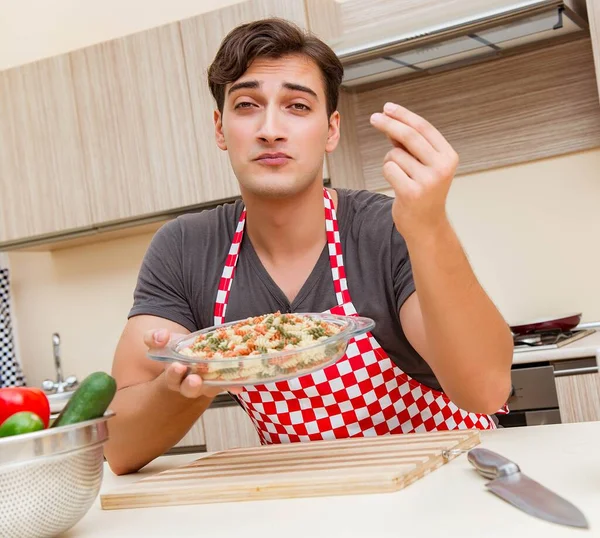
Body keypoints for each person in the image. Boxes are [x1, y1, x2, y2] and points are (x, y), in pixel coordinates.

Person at [104, 17, 513, 475]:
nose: (270, 129)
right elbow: (118, 448)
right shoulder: (185, 249)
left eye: (297, 106)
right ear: (220, 129)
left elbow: (487, 391)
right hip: (306, 504)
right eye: (246, 105)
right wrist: (195, 378)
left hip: (446, 484)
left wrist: (430, 226)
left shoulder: (384, 228)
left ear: (331, 130)